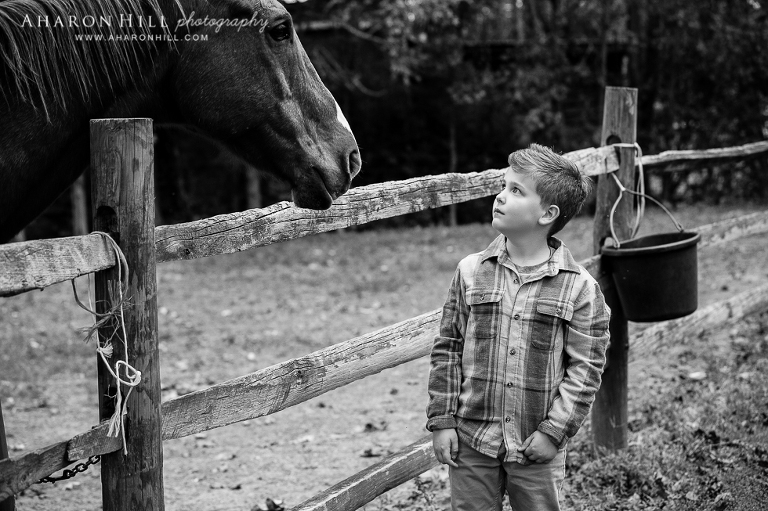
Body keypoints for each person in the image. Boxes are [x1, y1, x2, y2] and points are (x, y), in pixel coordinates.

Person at [426, 143, 611, 511]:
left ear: (548, 213)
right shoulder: (470, 271)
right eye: (503, 186)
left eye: (516, 190)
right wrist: (442, 420)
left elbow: (586, 369)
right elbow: (448, 347)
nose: (500, 196)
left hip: (534, 446)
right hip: (472, 439)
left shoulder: (580, 289)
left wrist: (554, 432)